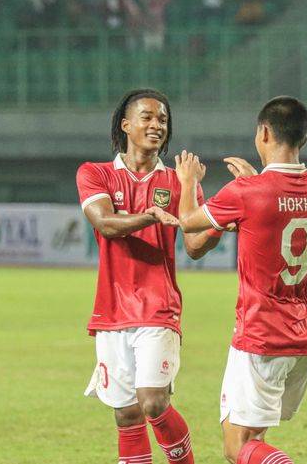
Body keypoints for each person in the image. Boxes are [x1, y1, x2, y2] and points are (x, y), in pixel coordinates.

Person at [175, 96, 307, 464]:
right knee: (256, 437)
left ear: (263, 133)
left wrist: (188, 181)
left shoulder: (247, 193)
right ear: (304, 140)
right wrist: (255, 184)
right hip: (305, 336)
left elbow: (188, 223)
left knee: (236, 447)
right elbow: (277, 207)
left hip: (261, 334)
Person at [76, 88, 222, 464]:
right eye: (148, 117)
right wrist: (151, 216)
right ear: (126, 124)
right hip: (111, 311)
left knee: (154, 403)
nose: (157, 125)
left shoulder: (177, 182)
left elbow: (193, 246)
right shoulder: (96, 174)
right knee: (126, 414)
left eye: (163, 120)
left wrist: (219, 221)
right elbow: (106, 225)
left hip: (158, 307)